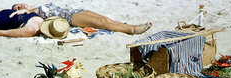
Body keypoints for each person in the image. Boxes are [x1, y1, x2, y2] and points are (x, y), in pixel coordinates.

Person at [10, 3, 152, 35]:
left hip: (75, 11)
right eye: (17, 8)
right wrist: (22, 11)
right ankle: (132, 29)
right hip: (69, 17)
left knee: (106, 19)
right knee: (103, 23)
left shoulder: (35, 7)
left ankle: (131, 25)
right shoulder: (32, 16)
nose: (20, 6)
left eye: (19, 4)